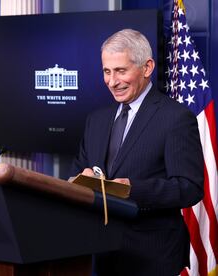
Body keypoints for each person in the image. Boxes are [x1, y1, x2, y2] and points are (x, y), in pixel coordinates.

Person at [72, 29, 204, 275]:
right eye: (106, 71)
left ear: (147, 67)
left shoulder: (176, 118)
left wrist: (131, 189)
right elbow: (75, 174)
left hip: (152, 256)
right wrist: (80, 179)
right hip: (100, 253)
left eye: (121, 71)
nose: (112, 81)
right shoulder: (96, 120)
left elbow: (189, 187)